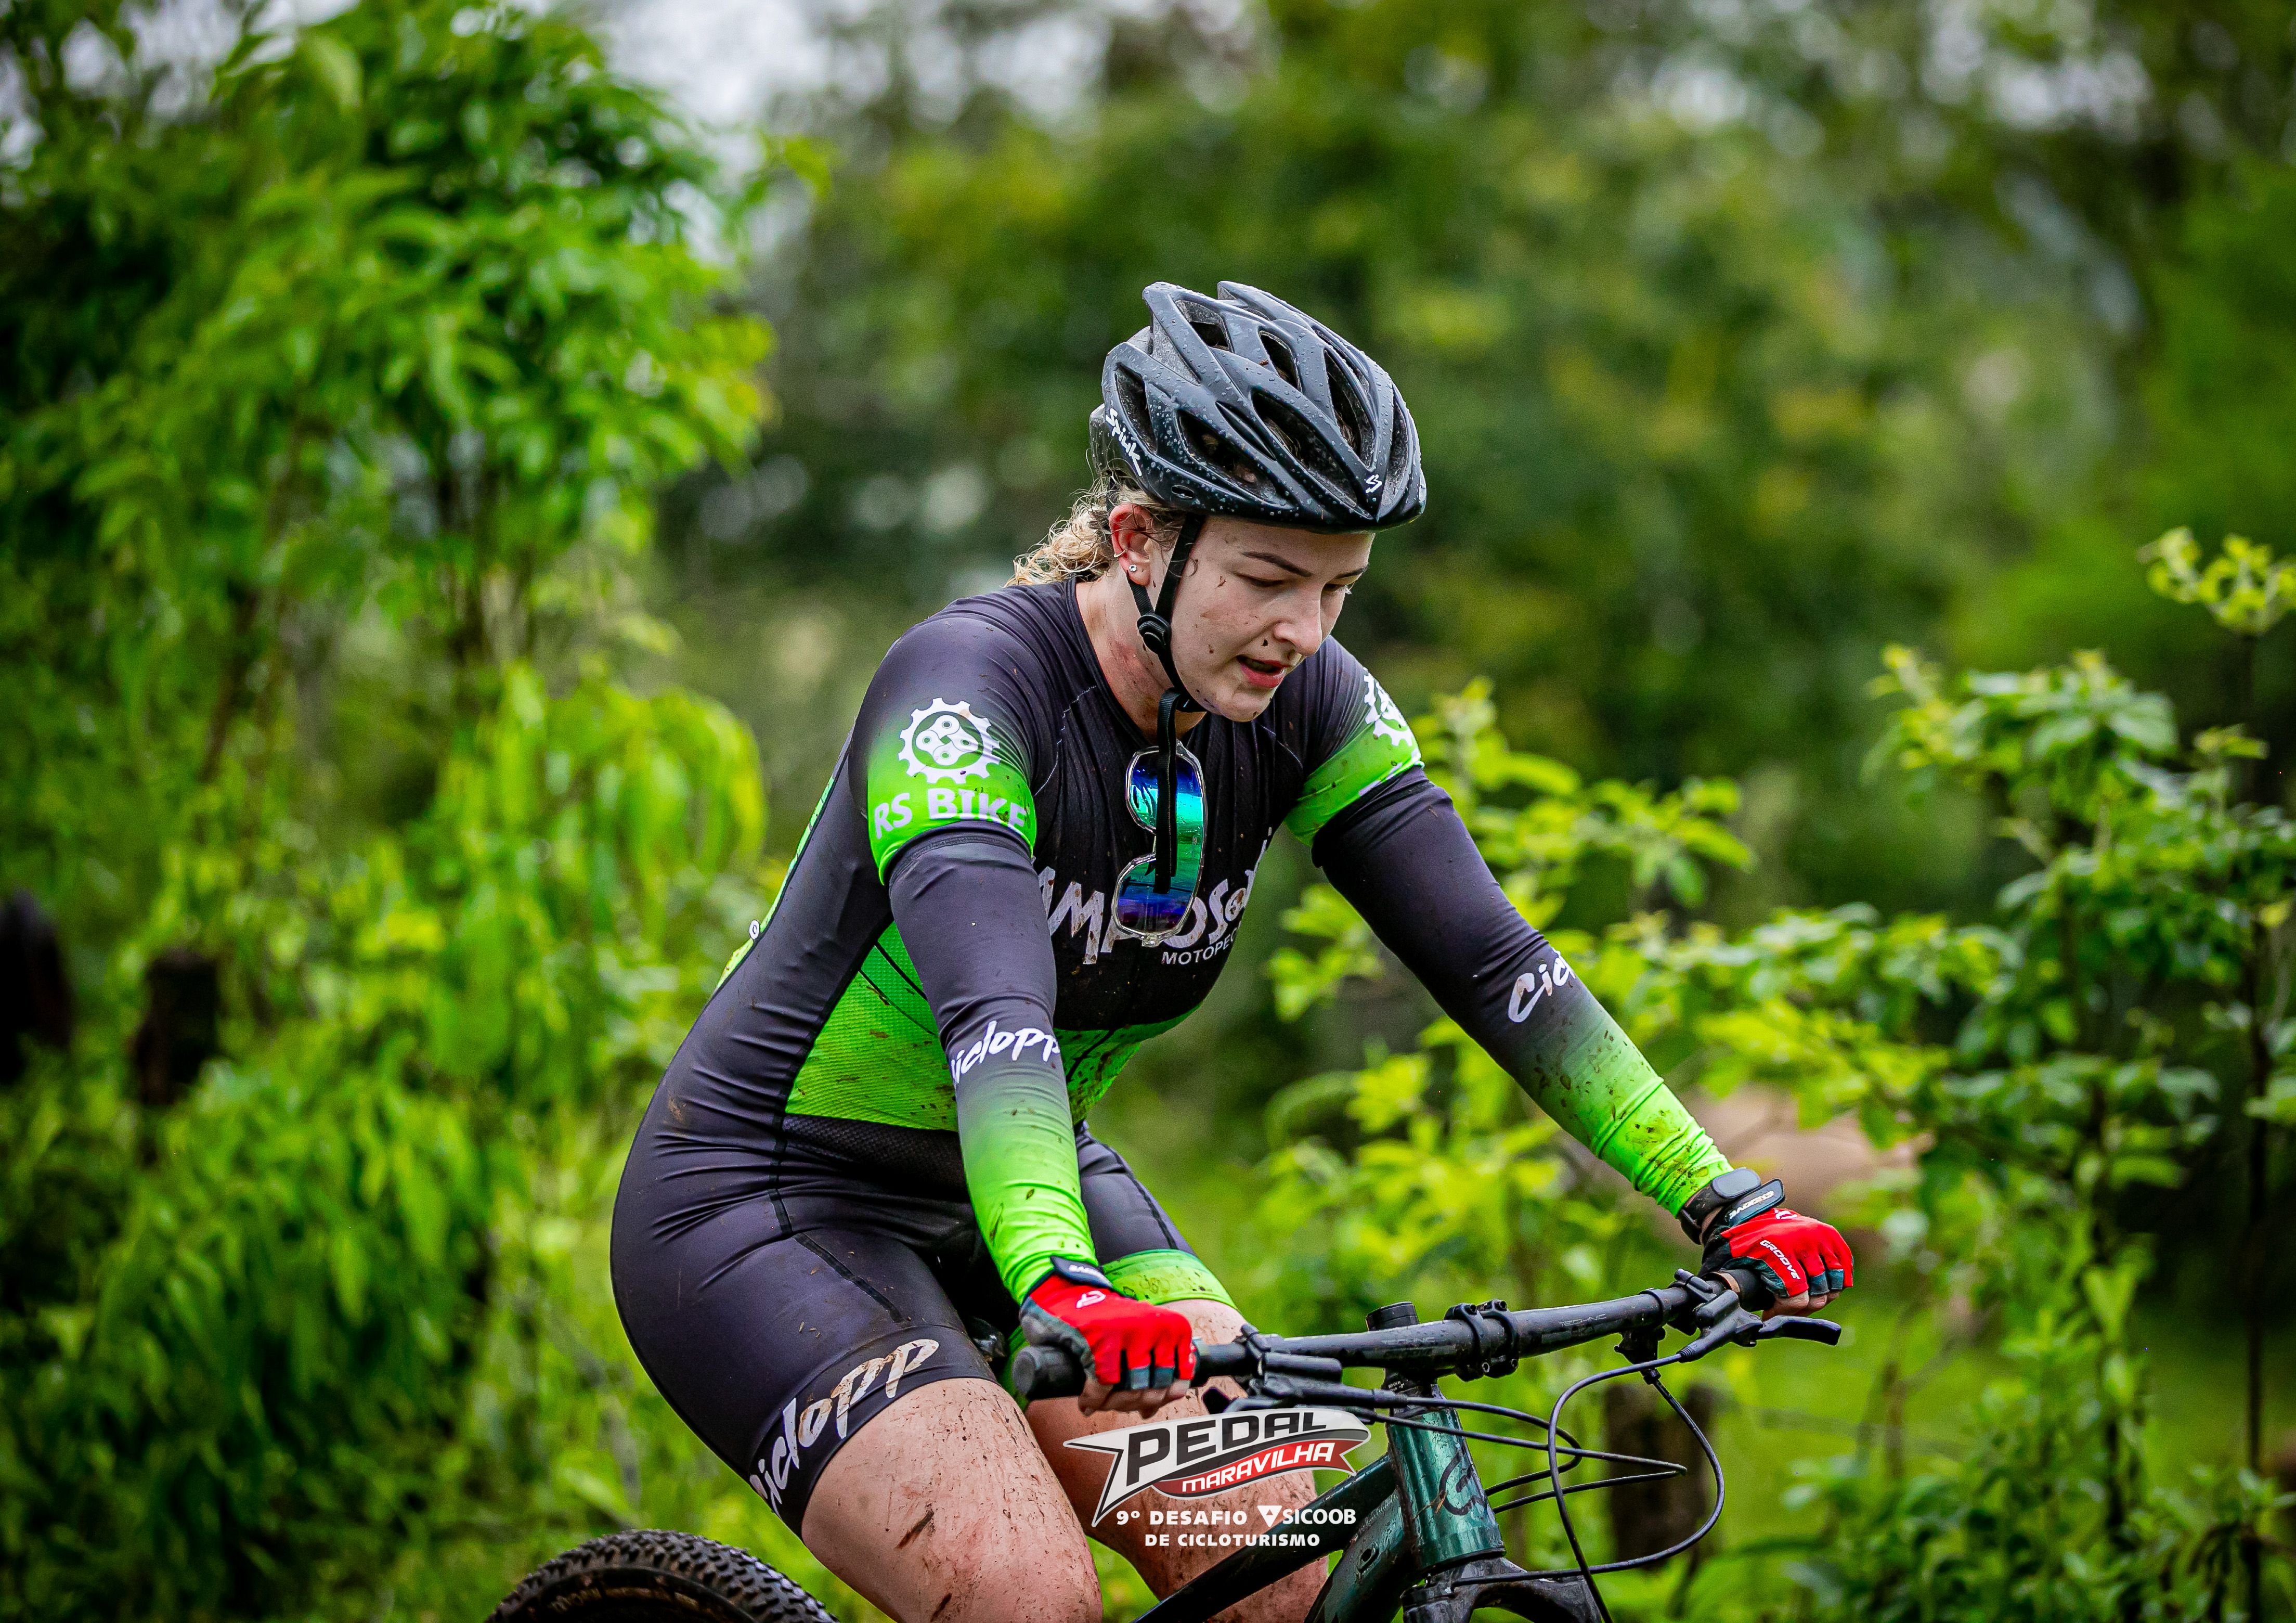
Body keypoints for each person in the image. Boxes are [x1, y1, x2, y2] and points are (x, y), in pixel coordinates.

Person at [610, 279, 1855, 1623]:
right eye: (1267, 580)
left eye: (1339, 589)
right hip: (771, 1205)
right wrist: (1061, 1282)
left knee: (1293, 1578)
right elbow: (996, 1020)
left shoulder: (1306, 699)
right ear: (1140, 540)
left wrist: (1720, 1195)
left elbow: (1500, 969)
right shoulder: (967, 694)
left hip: (1031, 1182)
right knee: (1026, 1598)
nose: (1303, 632)